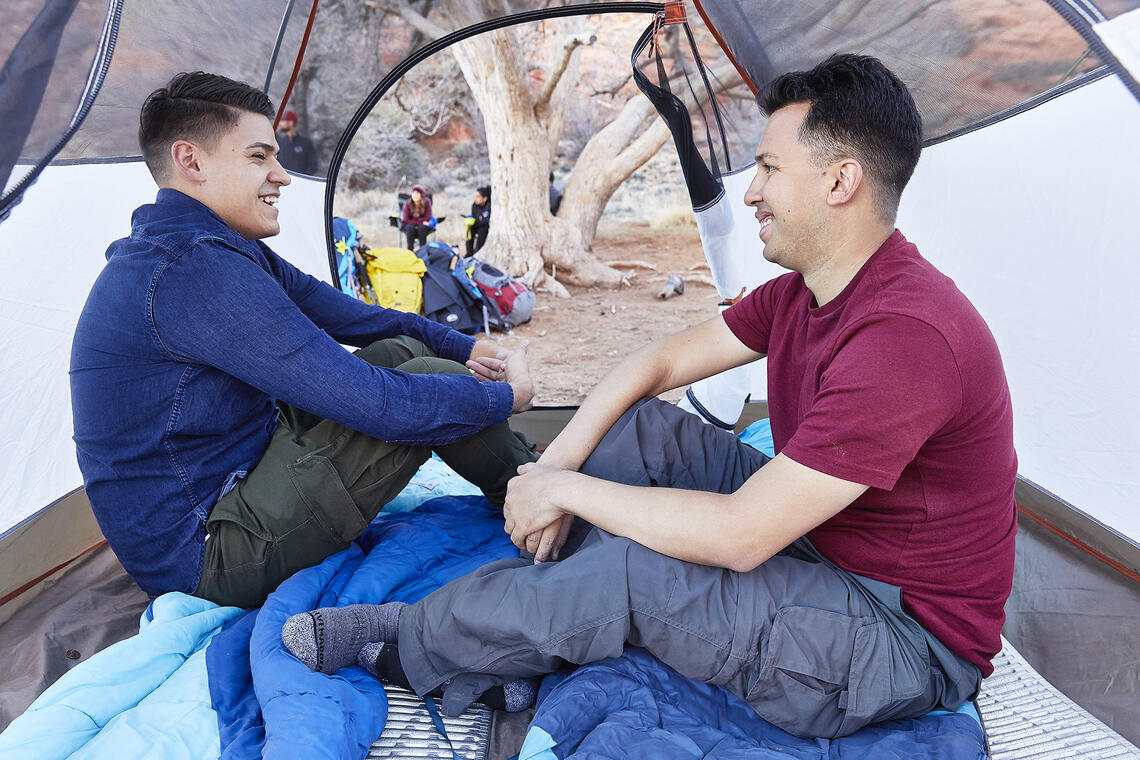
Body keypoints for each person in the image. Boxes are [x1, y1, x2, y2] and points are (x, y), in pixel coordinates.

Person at [282, 54, 1017, 739]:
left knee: (636, 572)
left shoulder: (908, 337)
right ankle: (533, 624)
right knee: (637, 433)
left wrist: (568, 490)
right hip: (823, 539)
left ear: (839, 182)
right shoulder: (807, 291)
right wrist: (554, 466)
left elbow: (741, 536)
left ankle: (411, 644)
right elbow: (659, 362)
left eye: (767, 168)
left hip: (897, 632)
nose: (751, 190)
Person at [70, 72, 539, 610]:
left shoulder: (207, 245)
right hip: (207, 552)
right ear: (191, 161)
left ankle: (529, 489)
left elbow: (359, 319)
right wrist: (506, 397)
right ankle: (537, 501)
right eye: (258, 157)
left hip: (238, 479)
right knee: (420, 382)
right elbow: (381, 406)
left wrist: (469, 349)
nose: (281, 175)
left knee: (404, 355)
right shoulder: (191, 270)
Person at [275, 109, 318, 175]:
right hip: (283, 182)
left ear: (291, 122)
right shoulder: (278, 142)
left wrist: (303, 179)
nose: (280, 124)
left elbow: (313, 166)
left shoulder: (305, 143)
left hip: (302, 183)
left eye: (282, 121)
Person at [400, 184, 433, 251]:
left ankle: (423, 251)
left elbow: (428, 217)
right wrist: (419, 221)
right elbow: (406, 219)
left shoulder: (427, 202)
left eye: (417, 193)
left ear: (422, 195)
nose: (415, 195)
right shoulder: (407, 203)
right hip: (410, 228)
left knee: (422, 227)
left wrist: (417, 222)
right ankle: (410, 251)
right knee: (410, 227)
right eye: (413, 193)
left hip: (422, 228)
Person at [465, 185, 490, 256]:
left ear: (484, 198)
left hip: (485, 227)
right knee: (469, 228)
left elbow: (486, 221)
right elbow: (475, 218)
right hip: (478, 224)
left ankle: (478, 252)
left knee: (483, 229)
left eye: (478, 197)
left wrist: (480, 220)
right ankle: (469, 253)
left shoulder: (489, 206)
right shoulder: (474, 205)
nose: (476, 199)